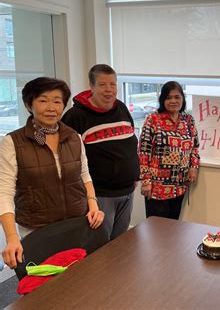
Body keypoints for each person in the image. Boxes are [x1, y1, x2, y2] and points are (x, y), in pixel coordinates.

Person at [0, 77, 104, 268]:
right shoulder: (13, 142)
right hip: (37, 229)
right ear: (28, 104)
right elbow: (4, 192)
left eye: (57, 101)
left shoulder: (73, 137)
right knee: (45, 288)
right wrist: (12, 237)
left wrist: (93, 204)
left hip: (76, 224)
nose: (51, 107)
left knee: (80, 280)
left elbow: (84, 174)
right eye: (43, 100)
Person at [62, 64, 140, 241]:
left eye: (113, 84)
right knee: (99, 245)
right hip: (99, 195)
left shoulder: (121, 107)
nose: (109, 90)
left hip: (127, 190)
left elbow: (129, 142)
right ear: (91, 86)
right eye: (103, 85)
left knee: (120, 243)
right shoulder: (75, 116)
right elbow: (69, 159)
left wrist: (135, 175)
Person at [139, 81, 200, 220]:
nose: (173, 101)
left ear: (183, 99)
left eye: (177, 97)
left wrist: (193, 167)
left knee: (173, 228)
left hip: (179, 186)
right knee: (157, 230)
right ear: (162, 100)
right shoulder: (153, 120)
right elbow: (143, 152)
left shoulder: (188, 120)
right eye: (168, 97)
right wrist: (146, 181)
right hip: (156, 187)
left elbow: (195, 147)